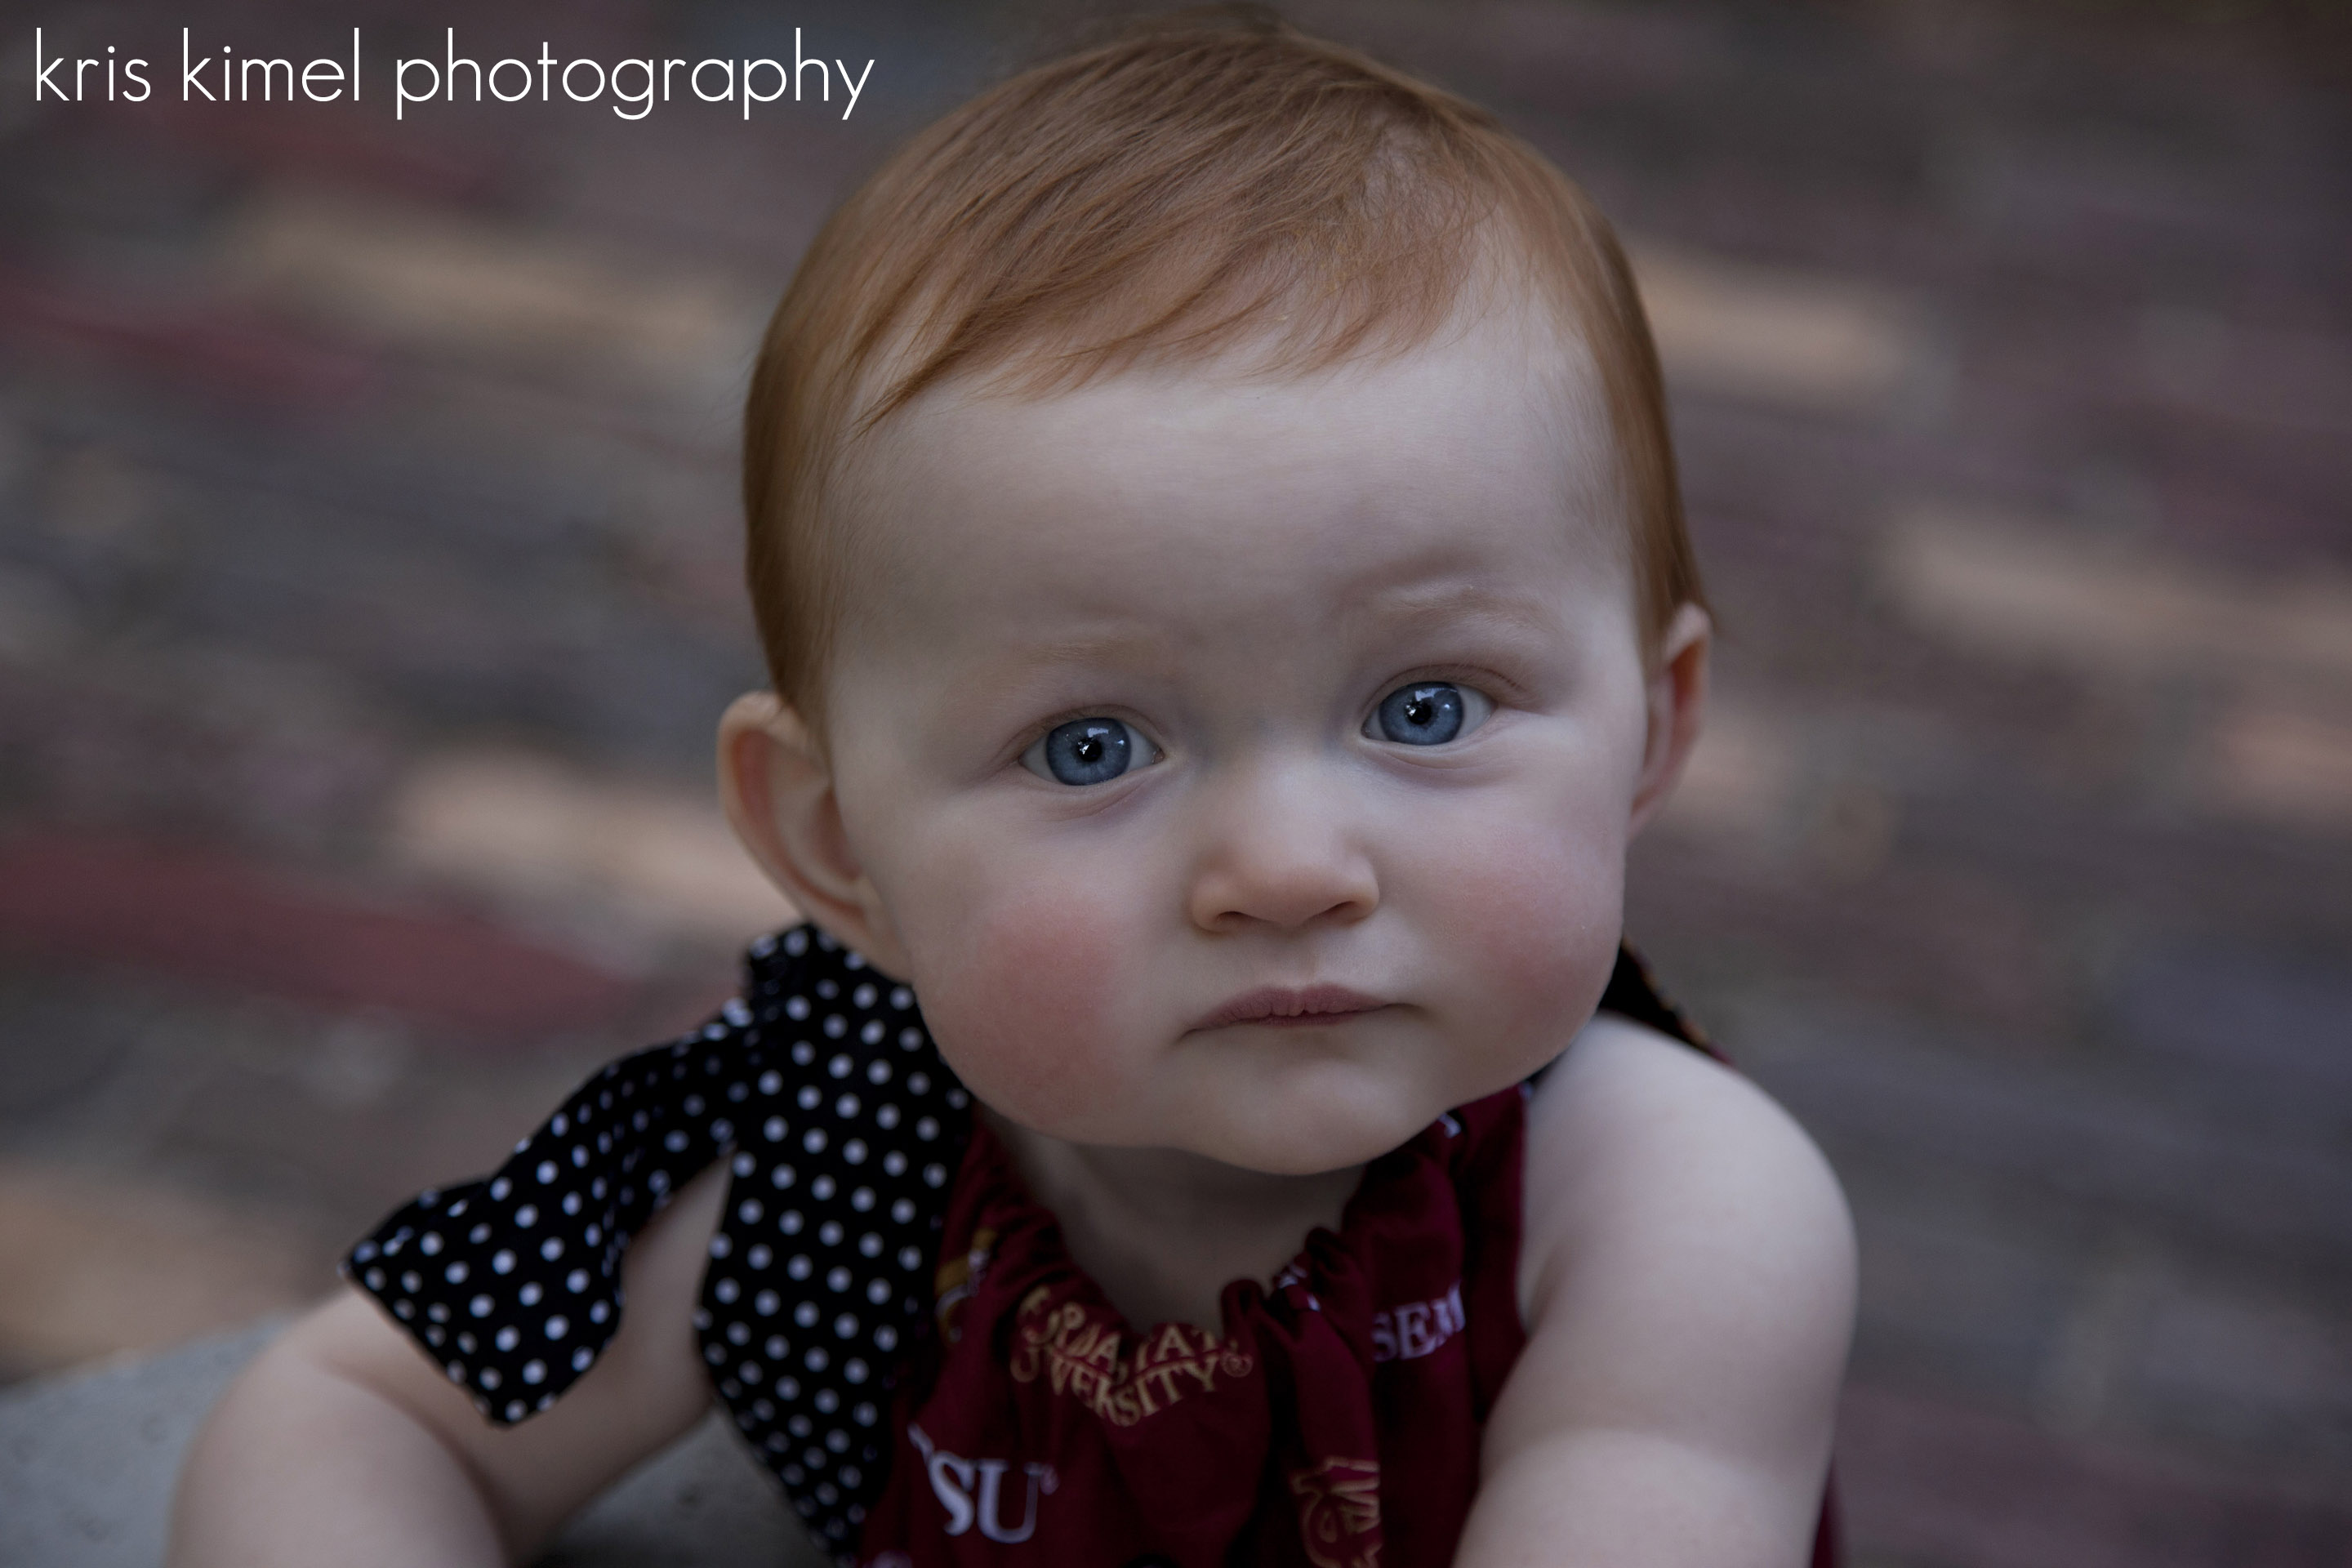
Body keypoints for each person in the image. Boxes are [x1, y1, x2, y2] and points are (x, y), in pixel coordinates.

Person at [169, 11, 1855, 1566]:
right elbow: (360, 1416)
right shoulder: (836, 1145)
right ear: (839, 851)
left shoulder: (1668, 1217)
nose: (1282, 866)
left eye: (1425, 707)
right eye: (1090, 746)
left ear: (1654, 724)